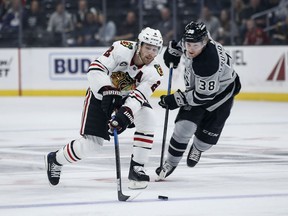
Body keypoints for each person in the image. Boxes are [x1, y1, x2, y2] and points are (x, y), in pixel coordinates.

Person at [45, 27, 164, 190]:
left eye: (155, 49)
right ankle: (56, 159)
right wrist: (107, 89)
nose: (151, 53)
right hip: (100, 95)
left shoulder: (155, 72)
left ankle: (137, 168)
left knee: (148, 117)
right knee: (92, 145)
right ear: (139, 45)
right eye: (148, 47)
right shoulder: (122, 48)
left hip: (125, 99)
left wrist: (124, 115)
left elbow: (138, 97)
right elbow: (95, 69)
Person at [155, 21, 241, 180]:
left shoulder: (208, 62)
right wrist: (172, 51)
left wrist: (176, 99)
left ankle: (198, 147)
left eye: (196, 45)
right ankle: (171, 163)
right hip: (199, 91)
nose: (191, 48)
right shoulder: (193, 40)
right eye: (188, 44)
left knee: (205, 140)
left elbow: (203, 97)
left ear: (206, 41)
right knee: (182, 128)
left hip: (221, 96)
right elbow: (181, 45)